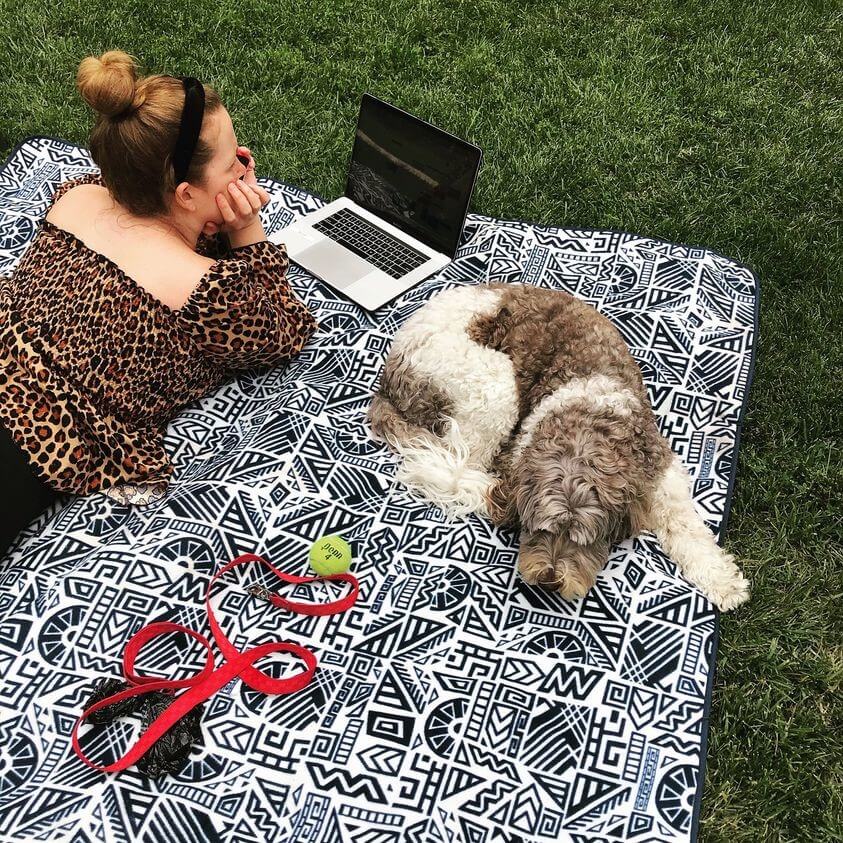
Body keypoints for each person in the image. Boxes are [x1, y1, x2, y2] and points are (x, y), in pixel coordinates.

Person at [0, 50, 319, 558]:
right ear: (186, 195)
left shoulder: (76, 197)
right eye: (233, 164)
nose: (244, 167)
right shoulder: (203, 290)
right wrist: (246, 229)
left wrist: (216, 205)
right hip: (32, 438)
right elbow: (283, 330)